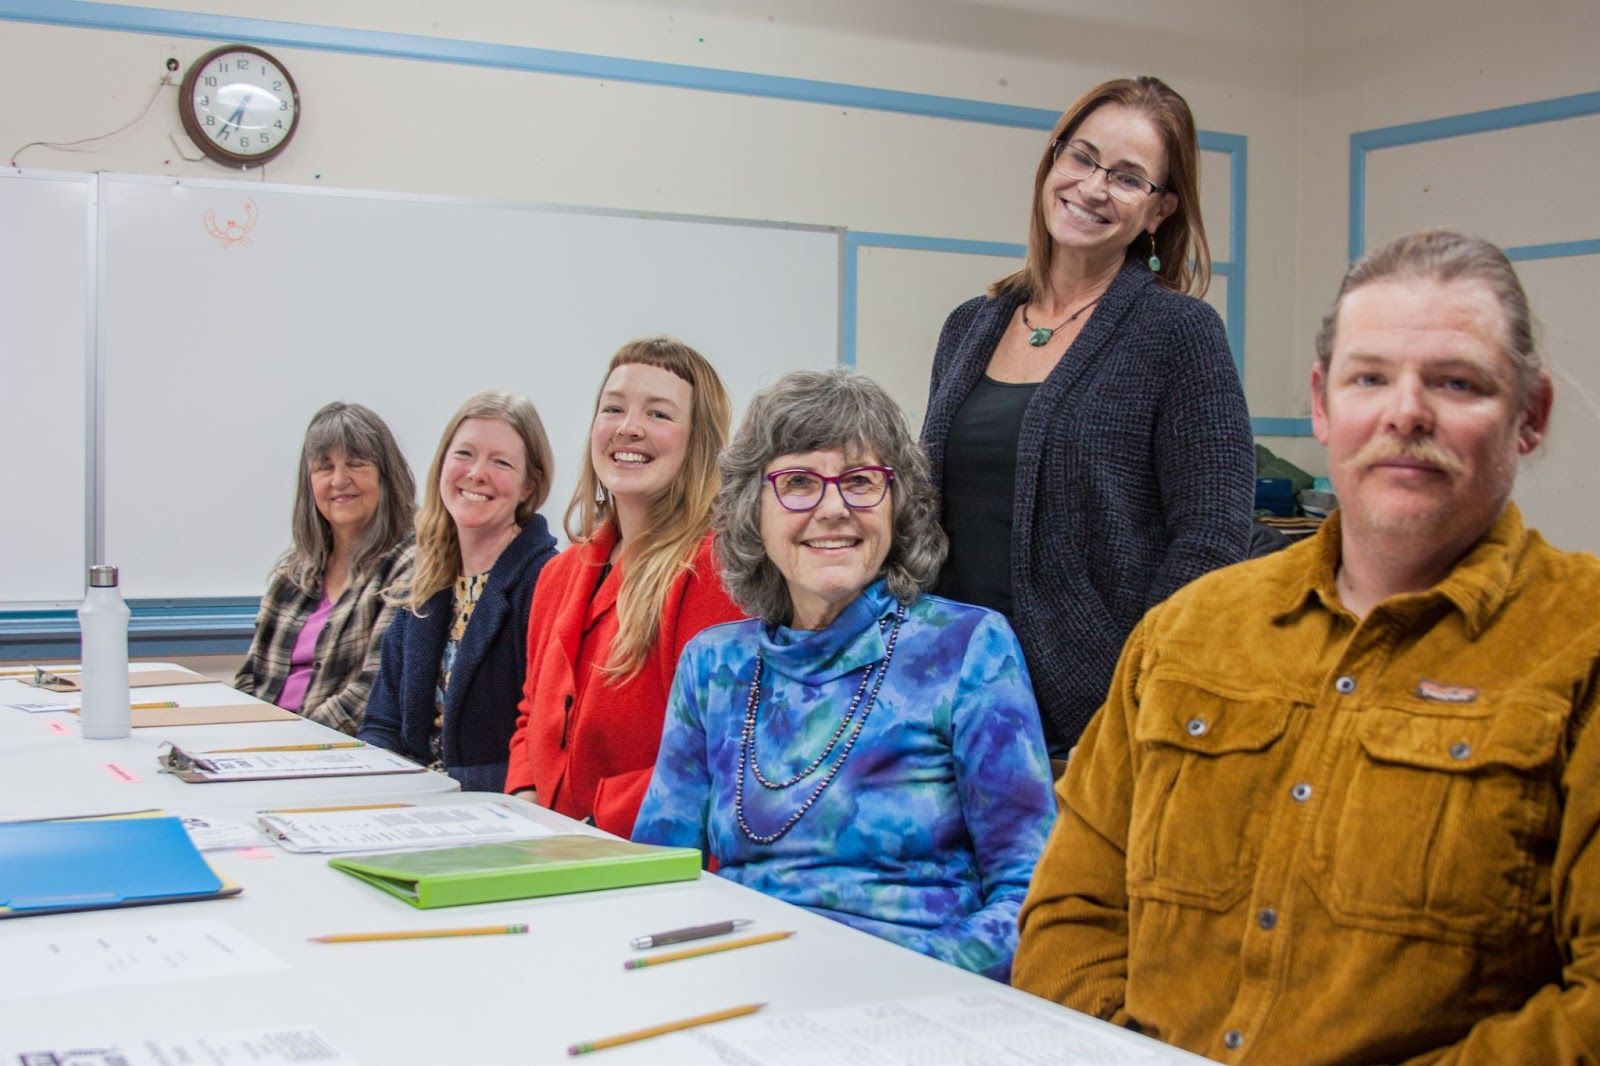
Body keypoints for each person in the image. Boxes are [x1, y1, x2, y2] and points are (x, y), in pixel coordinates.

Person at [1013, 230, 1600, 1064]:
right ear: (1323, 404)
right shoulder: (1187, 633)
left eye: (1457, 382)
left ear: (1529, 417)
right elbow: (1072, 912)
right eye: (1371, 378)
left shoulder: (1580, 650)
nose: (1406, 412)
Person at [635, 367, 1055, 981]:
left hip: (915, 999)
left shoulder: (967, 648)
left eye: (861, 481)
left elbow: (1034, 897)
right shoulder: (714, 665)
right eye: (798, 482)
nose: (833, 508)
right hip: (744, 988)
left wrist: (866, 977)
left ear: (899, 503)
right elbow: (661, 874)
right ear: (753, 508)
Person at [921, 76, 1254, 756]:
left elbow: (1211, 541)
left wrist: (1132, 690)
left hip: (1088, 720)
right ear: (1052, 161)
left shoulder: (1179, 332)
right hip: (945, 701)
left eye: (1129, 178)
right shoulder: (970, 325)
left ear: (1159, 211)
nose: (1094, 187)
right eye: (1082, 156)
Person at [504, 338, 742, 836]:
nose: (628, 427)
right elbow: (531, 714)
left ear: (699, 441)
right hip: (548, 843)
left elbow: (719, 754)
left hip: (646, 857)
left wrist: (594, 825)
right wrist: (526, 802)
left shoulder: (716, 572)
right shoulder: (559, 573)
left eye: (658, 413)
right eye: (613, 408)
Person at [359, 393, 558, 792]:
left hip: (498, 815)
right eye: (464, 454)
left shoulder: (544, 581)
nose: (477, 473)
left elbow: (544, 751)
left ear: (528, 486)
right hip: (416, 808)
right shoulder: (427, 580)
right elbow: (381, 724)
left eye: (501, 462)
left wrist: (433, 788)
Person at [235, 402, 416, 734]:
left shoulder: (411, 565)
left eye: (356, 464)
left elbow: (372, 690)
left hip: (336, 752)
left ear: (386, 475)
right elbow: (251, 677)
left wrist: (290, 742)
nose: (339, 480)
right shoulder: (293, 573)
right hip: (267, 748)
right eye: (324, 467)